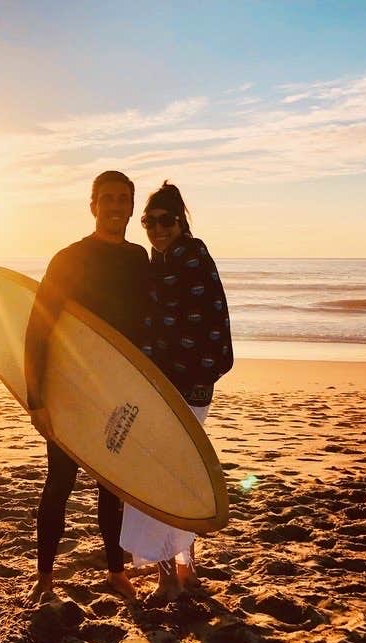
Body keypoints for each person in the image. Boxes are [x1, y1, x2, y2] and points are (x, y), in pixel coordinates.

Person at [24, 170, 149, 602]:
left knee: (112, 487)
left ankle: (116, 572)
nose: (116, 206)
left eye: (123, 199)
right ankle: (44, 578)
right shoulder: (69, 258)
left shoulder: (139, 259)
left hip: (118, 392)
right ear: (93, 205)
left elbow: (144, 332)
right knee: (59, 483)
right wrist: (36, 399)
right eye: (107, 198)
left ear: (132, 206)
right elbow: (38, 328)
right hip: (70, 390)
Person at [120, 180, 233, 600]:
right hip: (174, 384)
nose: (157, 228)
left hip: (182, 385)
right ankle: (184, 569)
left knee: (162, 475)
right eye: (149, 222)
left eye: (165, 221)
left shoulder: (190, 258)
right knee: (178, 473)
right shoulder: (164, 260)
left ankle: (171, 577)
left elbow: (202, 321)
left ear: (181, 221)